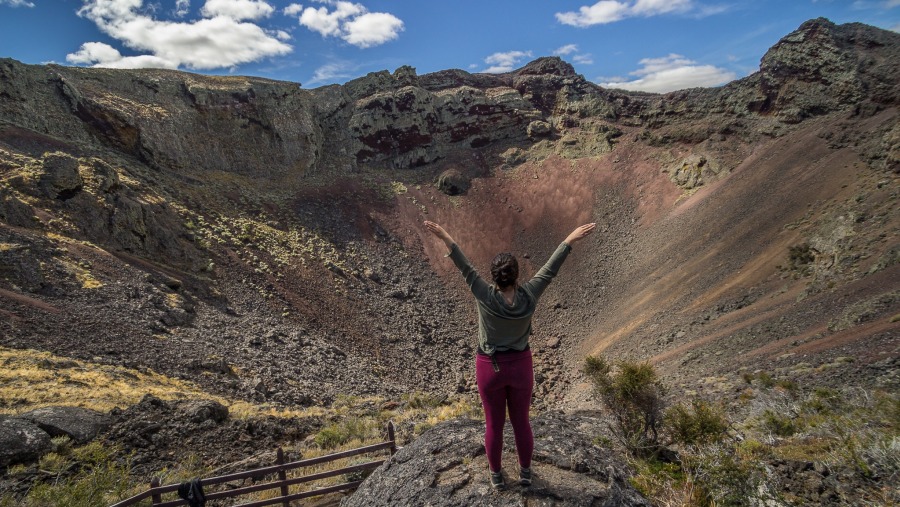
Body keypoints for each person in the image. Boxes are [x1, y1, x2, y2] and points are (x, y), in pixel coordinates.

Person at [424, 220, 596, 489]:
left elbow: (464, 265)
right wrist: (569, 240)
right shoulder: (529, 294)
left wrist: (444, 235)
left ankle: (496, 476)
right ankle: (525, 474)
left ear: (493, 276)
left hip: (489, 368)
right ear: (516, 275)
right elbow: (550, 269)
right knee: (521, 423)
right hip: (520, 367)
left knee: (494, 425)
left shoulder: (484, 294)